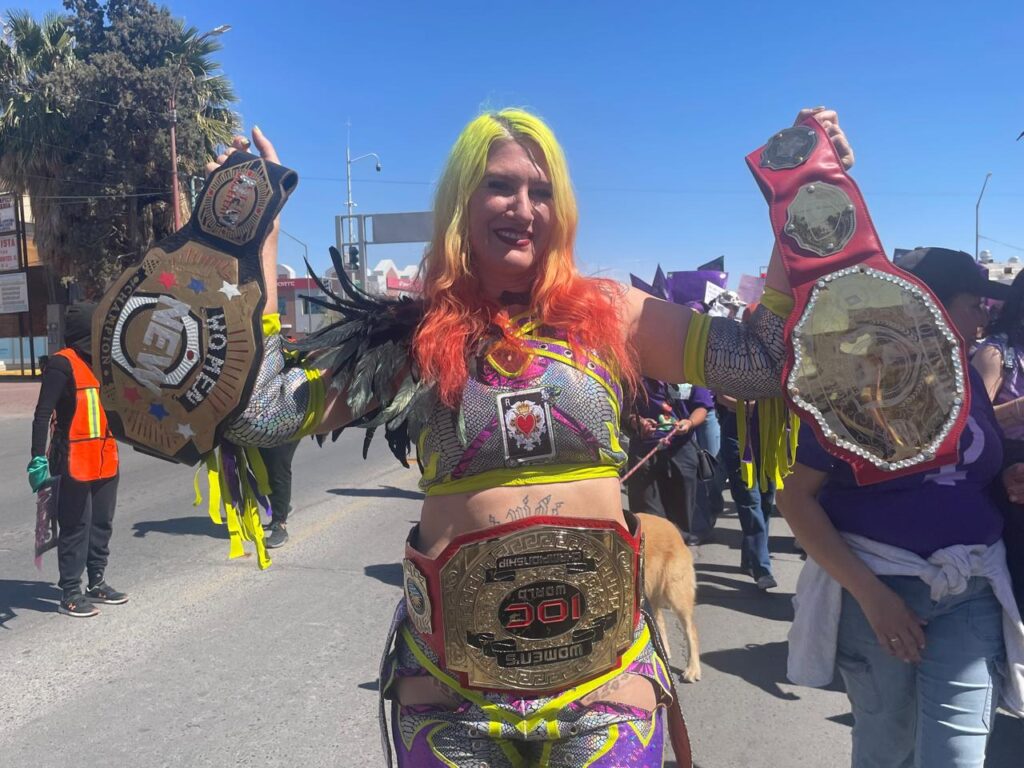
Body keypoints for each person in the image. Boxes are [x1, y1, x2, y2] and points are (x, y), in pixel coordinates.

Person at [214, 107, 853, 766]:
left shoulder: (614, 315)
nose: (522, 207)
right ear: (461, 200)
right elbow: (264, 411)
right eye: (500, 185)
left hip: (604, 688)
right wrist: (253, 236)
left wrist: (799, 202)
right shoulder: (408, 336)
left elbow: (758, 363)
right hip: (450, 693)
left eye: (541, 191)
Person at [778, 248, 1024, 767]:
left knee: (956, 758)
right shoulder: (852, 382)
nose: (984, 319)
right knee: (886, 753)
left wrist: (1006, 475)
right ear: (929, 304)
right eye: (974, 304)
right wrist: (871, 596)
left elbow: (969, 469)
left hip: (971, 590)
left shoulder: (968, 376)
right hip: (880, 596)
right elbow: (795, 497)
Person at [27, 303, 126, 618]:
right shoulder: (62, 364)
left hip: (105, 458)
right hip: (73, 460)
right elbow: (42, 414)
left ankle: (96, 582)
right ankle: (70, 592)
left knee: (101, 523)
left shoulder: (104, 364)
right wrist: (37, 457)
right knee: (75, 526)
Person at [626, 378, 712, 546]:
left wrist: (689, 422)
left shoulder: (687, 372)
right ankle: (651, 555)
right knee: (647, 519)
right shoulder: (635, 374)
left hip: (682, 451)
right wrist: (637, 422)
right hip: (644, 452)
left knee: (681, 520)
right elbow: (623, 409)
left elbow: (702, 406)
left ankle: (676, 554)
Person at [258, 440, 299, 548]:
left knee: (277, 466)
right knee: (258, 466)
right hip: (257, 433)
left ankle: (280, 524)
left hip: (283, 431)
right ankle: (282, 506)